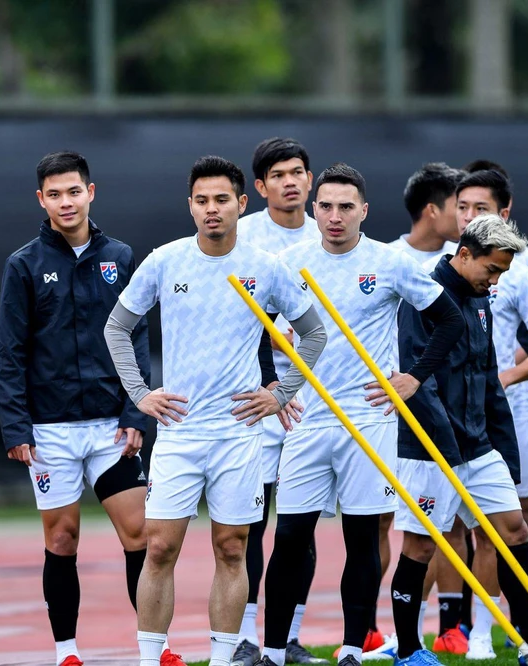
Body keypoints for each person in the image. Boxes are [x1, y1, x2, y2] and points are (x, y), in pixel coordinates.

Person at [103, 155, 327, 666]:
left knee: (232, 548)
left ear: (241, 203)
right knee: (160, 548)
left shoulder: (266, 267)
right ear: (190, 205)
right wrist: (139, 394)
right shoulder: (165, 261)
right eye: (202, 200)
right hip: (179, 432)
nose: (212, 209)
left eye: (222, 199)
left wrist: (280, 394)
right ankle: (149, 660)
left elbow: (314, 333)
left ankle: (224, 660)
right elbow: (117, 327)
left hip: (238, 435)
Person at [255, 163, 464, 666]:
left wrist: (412, 378)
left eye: (346, 207)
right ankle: (273, 652)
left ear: (364, 211)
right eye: (326, 206)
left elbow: (450, 320)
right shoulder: (288, 262)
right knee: (289, 538)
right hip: (308, 419)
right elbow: (257, 328)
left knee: (363, 537)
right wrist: (273, 384)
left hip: (367, 419)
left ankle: (353, 648)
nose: (335, 216)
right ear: (314, 208)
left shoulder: (388, 262)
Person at [0, 151, 181, 666]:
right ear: (41, 200)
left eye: (74, 191)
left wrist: (135, 412)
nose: (66, 202)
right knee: (62, 537)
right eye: (54, 194)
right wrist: (16, 426)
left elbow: (136, 336)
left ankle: (157, 649)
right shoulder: (24, 264)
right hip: (49, 430)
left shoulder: (120, 256)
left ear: (90, 193)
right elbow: (9, 351)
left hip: (110, 428)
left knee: (142, 535)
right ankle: (67, 652)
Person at [390, 215, 528, 666]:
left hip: (478, 447)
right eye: (492, 269)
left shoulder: (482, 300)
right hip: (429, 450)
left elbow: (488, 377)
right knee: (421, 545)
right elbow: (419, 382)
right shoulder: (422, 296)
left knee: (514, 528)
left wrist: (504, 452)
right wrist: (447, 449)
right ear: (464, 255)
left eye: (502, 272)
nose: (495, 280)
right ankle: (407, 650)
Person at [449, 169, 528, 660]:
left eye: (480, 208)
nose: (468, 216)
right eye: (462, 207)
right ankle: (465, 629)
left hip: (506, 414)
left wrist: (502, 379)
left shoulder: (519, 272)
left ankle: (514, 631)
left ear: (504, 212)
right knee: (462, 527)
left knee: (514, 522)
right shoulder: (440, 270)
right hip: (454, 418)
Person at [363, 163, 468, 662]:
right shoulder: (387, 260)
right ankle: (372, 629)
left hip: (452, 408)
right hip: (393, 410)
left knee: (452, 523)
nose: (466, 217)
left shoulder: (467, 260)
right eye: (459, 207)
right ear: (432, 210)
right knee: (386, 519)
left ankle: (450, 627)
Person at [233, 137, 326, 666]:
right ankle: (244, 637)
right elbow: (232, 313)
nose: (290, 182)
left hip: (312, 399)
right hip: (256, 395)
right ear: (260, 186)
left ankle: (287, 638)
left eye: (297, 172)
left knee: (299, 524)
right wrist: (274, 369)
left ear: (309, 179)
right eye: (278, 175)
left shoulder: (328, 231)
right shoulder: (243, 235)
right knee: (250, 519)